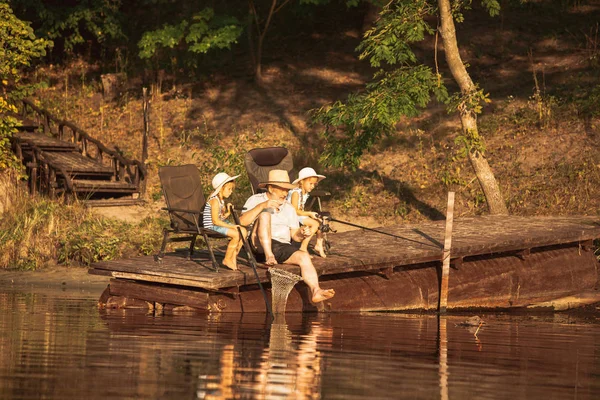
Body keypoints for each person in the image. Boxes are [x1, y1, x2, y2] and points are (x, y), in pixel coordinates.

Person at [239, 169, 335, 303]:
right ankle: (269, 255)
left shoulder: (289, 208)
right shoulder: (256, 200)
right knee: (265, 214)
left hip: (281, 247)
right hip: (258, 246)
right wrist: (262, 206)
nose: (285, 193)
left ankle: (316, 290)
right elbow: (241, 222)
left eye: (287, 190)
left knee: (304, 256)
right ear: (271, 188)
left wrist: (302, 233)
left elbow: (294, 236)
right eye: (282, 189)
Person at [203, 172, 247, 270]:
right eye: (229, 189)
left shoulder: (221, 200)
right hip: (211, 226)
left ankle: (233, 256)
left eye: (231, 189)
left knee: (243, 231)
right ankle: (227, 259)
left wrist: (228, 211)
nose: (231, 191)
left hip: (218, 223)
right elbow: (215, 221)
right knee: (236, 234)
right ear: (221, 188)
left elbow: (221, 217)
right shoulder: (214, 201)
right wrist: (232, 226)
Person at [288, 167, 327, 258]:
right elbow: (294, 210)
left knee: (320, 221)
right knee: (314, 224)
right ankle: (303, 248)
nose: (312, 186)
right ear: (301, 182)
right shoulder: (296, 193)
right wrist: (309, 214)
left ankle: (319, 244)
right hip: (291, 216)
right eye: (310, 183)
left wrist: (310, 214)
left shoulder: (305, 193)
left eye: (314, 184)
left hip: (297, 215)